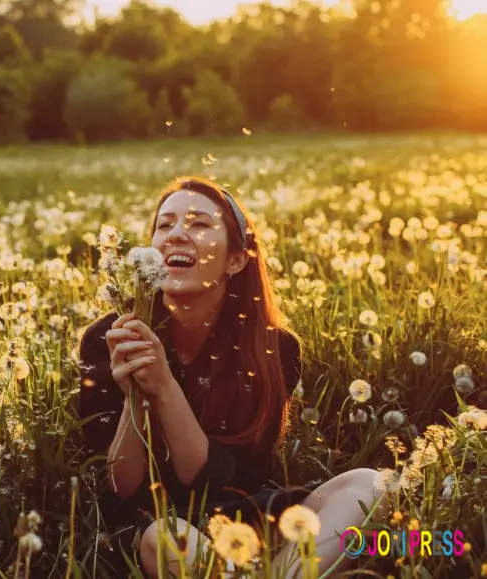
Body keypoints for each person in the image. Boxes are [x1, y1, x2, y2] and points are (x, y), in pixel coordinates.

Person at [77, 177, 389, 578]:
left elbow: (226, 484)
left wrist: (165, 387)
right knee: (169, 538)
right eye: (165, 224)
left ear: (237, 259)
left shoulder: (274, 347)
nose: (176, 235)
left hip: (243, 517)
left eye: (199, 224)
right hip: (153, 529)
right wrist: (136, 395)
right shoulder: (111, 336)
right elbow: (121, 491)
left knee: (369, 486)